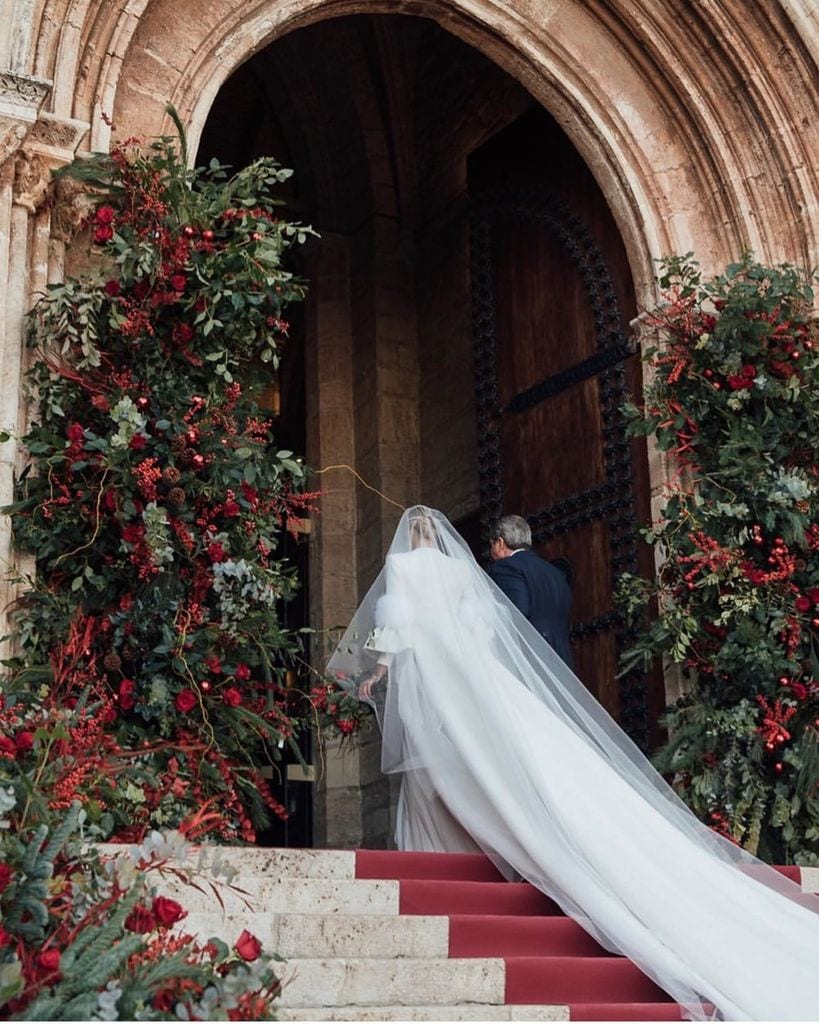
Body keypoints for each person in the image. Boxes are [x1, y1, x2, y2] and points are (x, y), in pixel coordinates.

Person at [327, 506, 819, 1022]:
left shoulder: (407, 569)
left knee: (435, 761)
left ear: (411, 536)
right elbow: (480, 626)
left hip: (436, 678)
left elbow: (398, 624)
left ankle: (439, 846)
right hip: (497, 679)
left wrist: (376, 672)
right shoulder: (464, 570)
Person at [488, 513, 573, 667]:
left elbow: (517, 611)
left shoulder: (506, 567)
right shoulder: (555, 573)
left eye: (491, 545)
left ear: (500, 542)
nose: (491, 553)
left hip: (531, 659)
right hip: (562, 660)